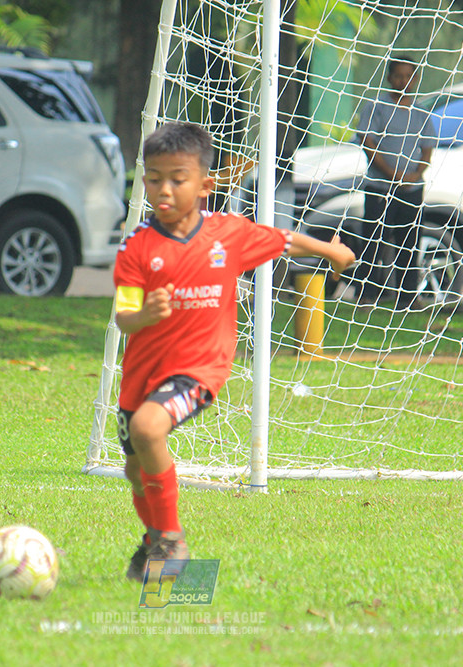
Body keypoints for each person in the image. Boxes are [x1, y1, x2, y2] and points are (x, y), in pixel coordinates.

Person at [114, 122, 355, 580]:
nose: (163, 190)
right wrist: (144, 315)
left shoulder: (229, 234)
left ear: (205, 186)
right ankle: (152, 539)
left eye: (177, 179)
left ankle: (171, 540)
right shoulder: (137, 247)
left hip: (200, 367)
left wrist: (331, 251)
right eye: (153, 178)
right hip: (142, 372)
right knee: (133, 468)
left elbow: (283, 239)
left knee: (148, 428)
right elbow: (125, 315)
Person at [354, 55, 437, 309]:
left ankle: (409, 297)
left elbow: (427, 148)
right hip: (380, 187)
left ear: (416, 79)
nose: (404, 81)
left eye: (409, 76)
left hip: (411, 190)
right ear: (389, 78)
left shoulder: (421, 113)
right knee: (374, 241)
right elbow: (367, 141)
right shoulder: (377, 107)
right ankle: (367, 295)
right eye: (399, 75)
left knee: (409, 242)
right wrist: (391, 173)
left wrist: (414, 175)